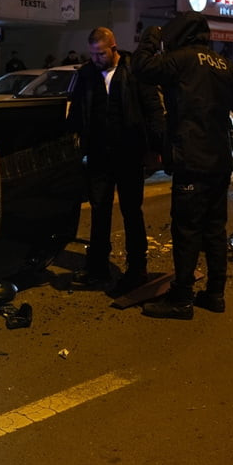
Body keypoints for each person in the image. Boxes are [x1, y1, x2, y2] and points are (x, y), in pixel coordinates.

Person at [130, 11, 233, 318]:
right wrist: (217, 104)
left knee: (186, 231)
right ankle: (215, 293)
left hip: (191, 158)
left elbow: (141, 67)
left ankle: (182, 297)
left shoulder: (182, 59)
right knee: (214, 230)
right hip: (220, 158)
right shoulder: (221, 62)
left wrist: (152, 35)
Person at [67, 27, 165, 295]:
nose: (97, 58)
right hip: (99, 154)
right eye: (93, 54)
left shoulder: (134, 72)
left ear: (114, 48)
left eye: (101, 53)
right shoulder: (86, 75)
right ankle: (97, 266)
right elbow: (76, 113)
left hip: (129, 153)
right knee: (100, 211)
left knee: (132, 211)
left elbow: (153, 108)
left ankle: (137, 269)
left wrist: (156, 146)